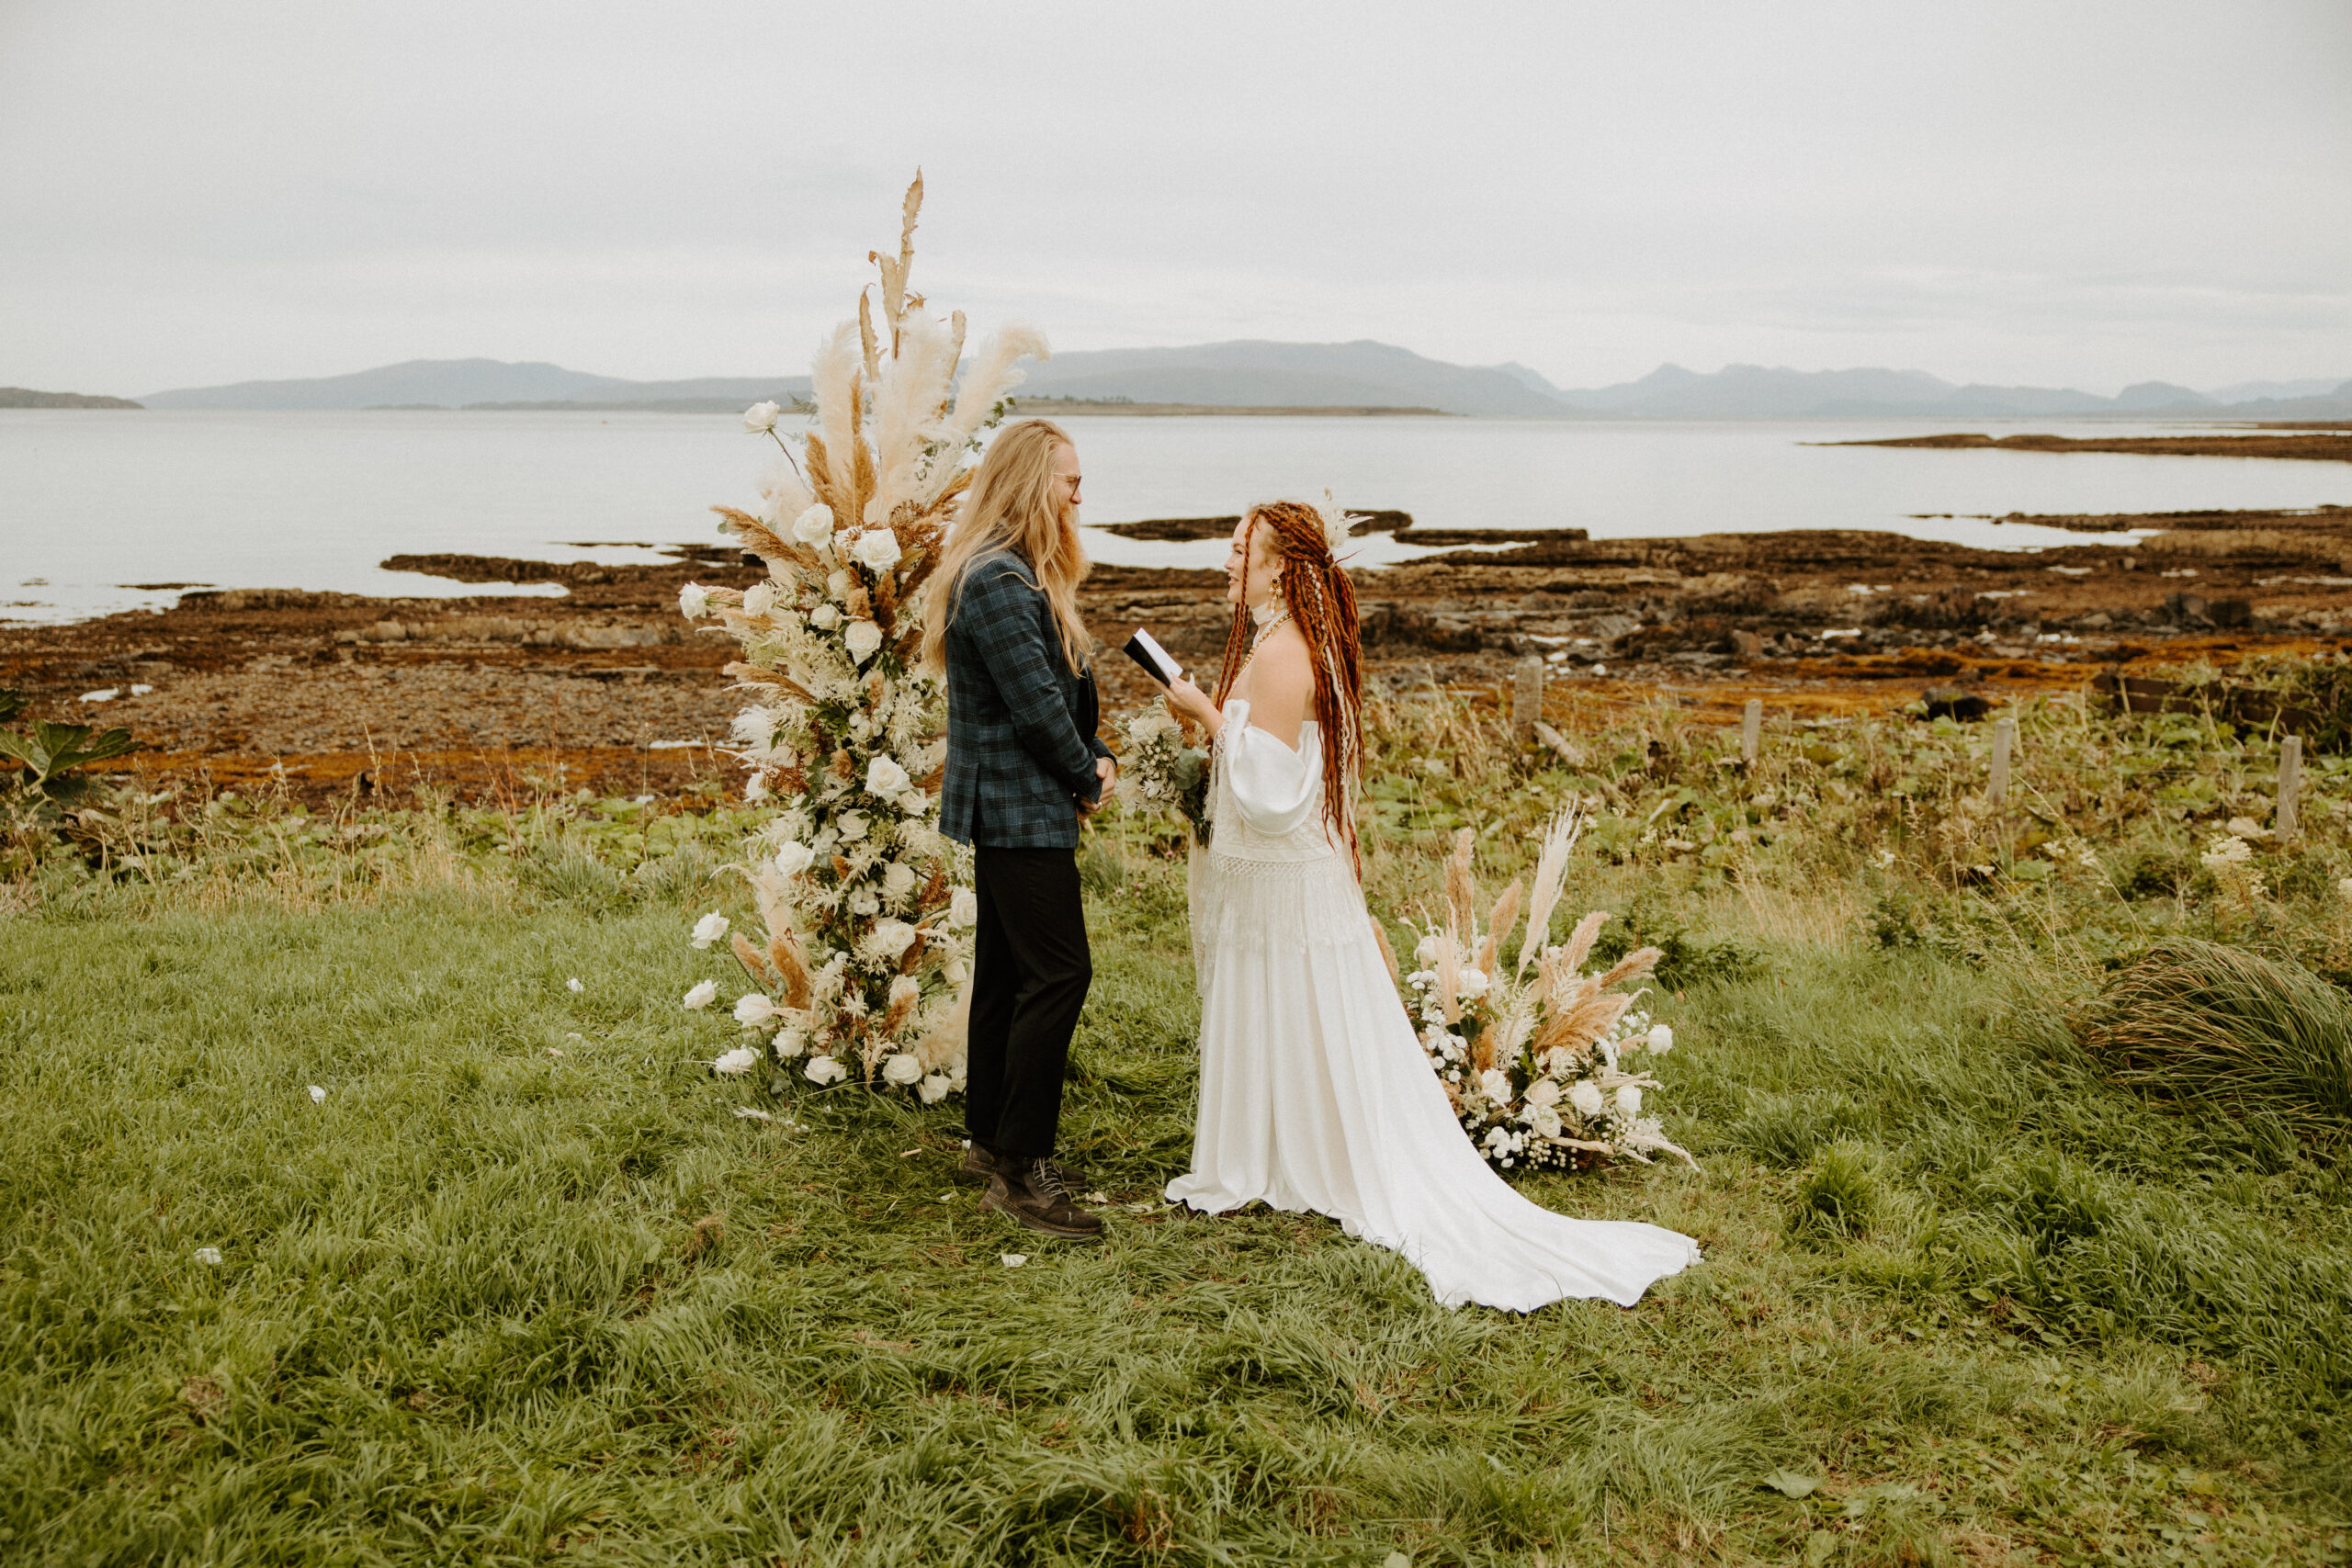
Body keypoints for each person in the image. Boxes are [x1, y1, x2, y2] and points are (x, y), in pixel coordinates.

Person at [1157, 500, 1701, 1310]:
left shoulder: (1280, 653)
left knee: (1293, 1001)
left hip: (1282, 880)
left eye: (1243, 549)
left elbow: (1268, 792)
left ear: (1279, 567)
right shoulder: (1285, 640)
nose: (1229, 559)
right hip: (1282, 876)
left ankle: (1276, 1156)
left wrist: (1204, 715)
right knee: (1299, 1008)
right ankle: (1278, 1149)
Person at [921, 419, 1117, 1241]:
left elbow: (1057, 695)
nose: (1080, 495)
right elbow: (1036, 710)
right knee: (1060, 973)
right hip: (1017, 805)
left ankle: (990, 1142)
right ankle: (1023, 1170)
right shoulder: (997, 580)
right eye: (1070, 481)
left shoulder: (1013, 571)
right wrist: (1086, 774)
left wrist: (1094, 752)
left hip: (1018, 801)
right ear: (1035, 484)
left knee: (1008, 972)